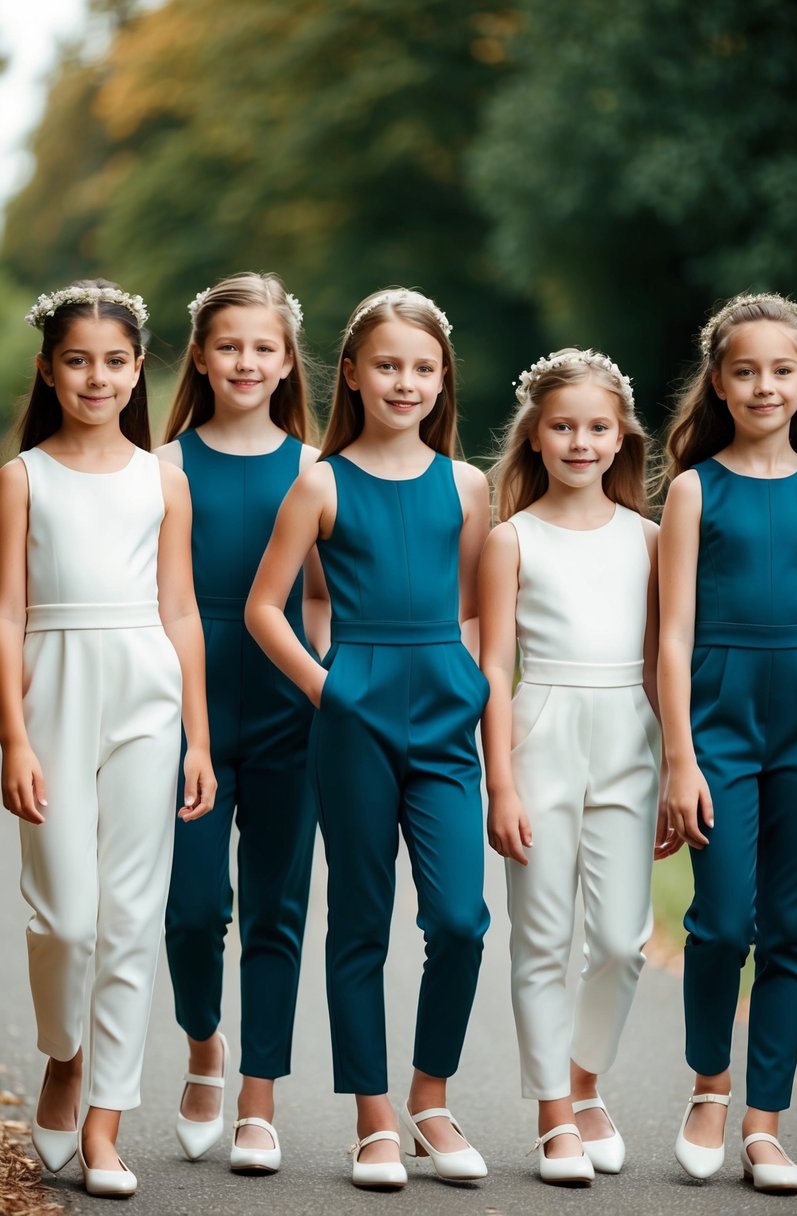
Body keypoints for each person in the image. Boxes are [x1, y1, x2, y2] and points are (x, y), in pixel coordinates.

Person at [246, 287, 491, 1189]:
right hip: (352, 718)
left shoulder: (466, 485)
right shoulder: (319, 480)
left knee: (460, 920)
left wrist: (469, 686)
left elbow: (468, 608)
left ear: (442, 380)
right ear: (350, 372)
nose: (405, 381)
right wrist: (328, 688)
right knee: (359, 922)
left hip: (442, 719)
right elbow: (263, 608)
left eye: (423, 368)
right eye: (387, 365)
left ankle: (429, 1096)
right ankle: (374, 1120)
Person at [0, 280, 215, 1198]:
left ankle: (105, 1121)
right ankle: (64, 1052)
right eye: (78, 361)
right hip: (51, 689)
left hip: (144, 692)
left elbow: (180, 608)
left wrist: (197, 737)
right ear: (49, 370)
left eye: (115, 361)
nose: (98, 377)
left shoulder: (162, 476)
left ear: (139, 372)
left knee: (131, 916)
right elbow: (7, 611)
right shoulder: (22, 478)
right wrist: (13, 736)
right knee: (68, 919)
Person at [479, 348, 669, 1185]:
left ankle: (586, 1080)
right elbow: (493, 669)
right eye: (562, 426)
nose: (580, 441)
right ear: (535, 437)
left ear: (623, 436)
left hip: (629, 733)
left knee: (624, 940)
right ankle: (554, 1112)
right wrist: (502, 780)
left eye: (596, 427)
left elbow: (666, 661)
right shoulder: (508, 539)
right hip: (542, 729)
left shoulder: (652, 540)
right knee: (543, 936)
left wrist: (675, 770)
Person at [659, 292, 797, 1195]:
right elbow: (673, 634)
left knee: (793, 929)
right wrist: (678, 758)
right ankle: (709, 1089)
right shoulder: (695, 490)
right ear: (718, 384)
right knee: (722, 922)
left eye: (780, 369)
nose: (763, 384)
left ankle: (764, 1124)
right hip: (719, 729)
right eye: (743, 370)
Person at [157, 272, 326, 1174]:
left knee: (276, 909)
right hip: (191, 710)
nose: (246, 361)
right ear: (200, 355)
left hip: (287, 713)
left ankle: (258, 1100)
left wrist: (325, 687)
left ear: (288, 358)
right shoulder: (166, 466)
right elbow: (161, 599)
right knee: (191, 911)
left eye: (263, 346)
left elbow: (326, 599)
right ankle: (201, 1046)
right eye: (229, 345)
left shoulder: (312, 467)